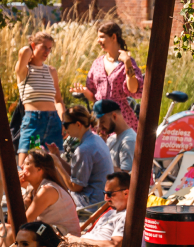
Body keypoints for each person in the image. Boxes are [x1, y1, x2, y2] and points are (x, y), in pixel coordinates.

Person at [0, 150, 80, 247]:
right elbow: (14, 222)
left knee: (8, 232)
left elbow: (20, 224)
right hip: (48, 235)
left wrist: (14, 189)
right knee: (2, 228)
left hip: (63, 242)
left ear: (40, 169)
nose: (21, 166)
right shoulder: (35, 187)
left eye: (27, 163)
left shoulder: (47, 190)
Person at [70, 22, 144, 132]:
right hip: (100, 118)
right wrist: (85, 91)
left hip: (120, 119)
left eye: (101, 37)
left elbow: (134, 90)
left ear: (114, 37)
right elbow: (95, 97)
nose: (98, 41)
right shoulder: (97, 63)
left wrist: (127, 62)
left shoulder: (128, 62)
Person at [48, 106, 113, 210]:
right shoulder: (96, 139)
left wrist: (57, 165)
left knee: (49, 188)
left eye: (66, 124)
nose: (64, 128)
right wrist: (58, 158)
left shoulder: (84, 149)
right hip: (101, 199)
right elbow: (76, 174)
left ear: (78, 124)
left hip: (91, 204)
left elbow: (75, 187)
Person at [15, 31, 65, 167]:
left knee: (56, 167)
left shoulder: (51, 71)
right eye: (44, 47)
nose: (47, 52)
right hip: (33, 121)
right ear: (33, 46)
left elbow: (58, 100)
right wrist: (31, 48)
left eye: (49, 48)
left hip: (54, 120)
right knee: (25, 166)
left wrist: (63, 120)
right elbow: (24, 52)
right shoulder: (24, 70)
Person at [66, 171, 129, 247]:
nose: (105, 198)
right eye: (104, 193)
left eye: (109, 194)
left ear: (126, 193)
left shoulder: (126, 217)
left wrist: (78, 240)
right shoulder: (110, 213)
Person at [94, 99, 136, 173]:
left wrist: (100, 165)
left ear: (114, 116)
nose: (100, 127)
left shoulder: (128, 141)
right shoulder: (111, 139)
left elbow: (126, 175)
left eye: (102, 122)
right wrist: (101, 146)